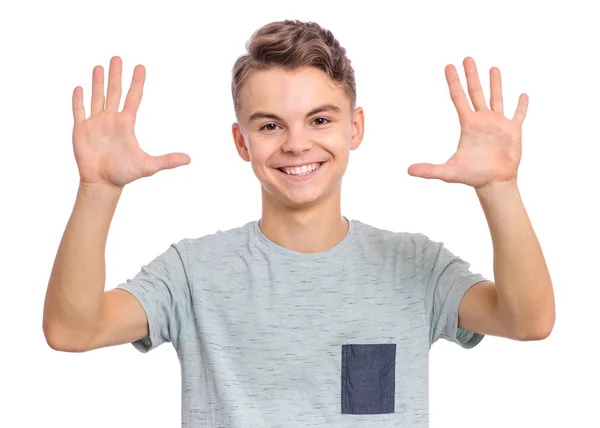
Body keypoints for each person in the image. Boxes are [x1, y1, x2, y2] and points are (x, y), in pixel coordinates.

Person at [43, 19, 555, 427]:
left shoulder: (416, 266)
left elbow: (528, 321)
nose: (295, 144)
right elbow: (71, 329)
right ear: (242, 142)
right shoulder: (192, 272)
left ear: (354, 128)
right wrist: (98, 191)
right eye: (270, 125)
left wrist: (499, 189)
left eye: (320, 119)